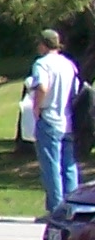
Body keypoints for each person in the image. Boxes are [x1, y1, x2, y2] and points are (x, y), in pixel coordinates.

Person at [27, 29, 82, 216]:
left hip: (49, 118)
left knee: (51, 166)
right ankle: (72, 207)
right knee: (69, 165)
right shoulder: (69, 64)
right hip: (67, 119)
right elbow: (75, 91)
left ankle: (56, 210)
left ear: (43, 44)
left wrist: (36, 107)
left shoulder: (41, 64)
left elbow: (42, 86)